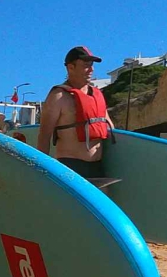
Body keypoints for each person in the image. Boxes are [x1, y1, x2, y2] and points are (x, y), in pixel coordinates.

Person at [36, 46, 114, 179]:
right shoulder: (58, 96)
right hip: (71, 167)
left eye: (91, 65)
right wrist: (41, 171)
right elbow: (44, 136)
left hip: (98, 167)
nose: (91, 69)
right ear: (70, 67)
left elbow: (110, 128)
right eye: (86, 65)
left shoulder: (96, 94)